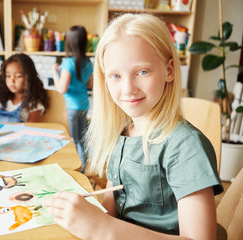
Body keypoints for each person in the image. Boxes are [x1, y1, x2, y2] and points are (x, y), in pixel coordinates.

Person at [44, 14, 223, 240]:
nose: (128, 89)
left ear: (169, 70)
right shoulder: (123, 131)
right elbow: (113, 204)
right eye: (115, 76)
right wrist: (85, 215)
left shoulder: (185, 146)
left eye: (142, 72)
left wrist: (102, 227)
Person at [51, 25, 93, 171]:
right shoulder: (87, 62)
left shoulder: (68, 63)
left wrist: (55, 74)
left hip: (70, 107)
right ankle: (83, 167)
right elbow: (90, 84)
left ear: (69, 42)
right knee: (81, 140)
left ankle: (76, 169)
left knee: (72, 140)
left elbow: (62, 88)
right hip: (84, 104)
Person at [0, 53, 49, 123]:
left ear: (29, 77)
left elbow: (32, 129)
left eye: (18, 76)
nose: (12, 81)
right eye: (8, 76)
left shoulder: (33, 103)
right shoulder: (4, 99)